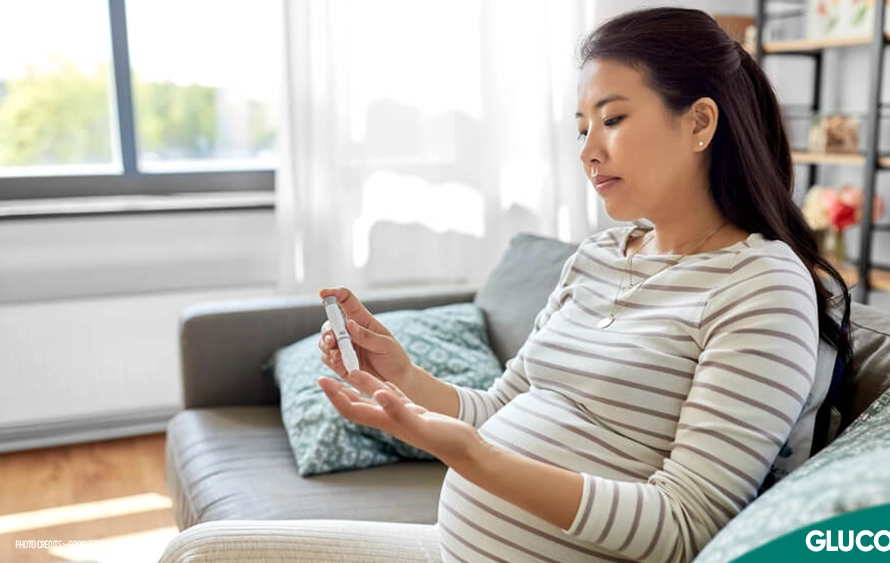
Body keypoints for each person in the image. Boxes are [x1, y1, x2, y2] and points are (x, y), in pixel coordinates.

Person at [316, 7, 852, 563]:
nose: (587, 151)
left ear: (699, 123)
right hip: (453, 550)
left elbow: (686, 526)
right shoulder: (597, 256)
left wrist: (475, 458)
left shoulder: (761, 285)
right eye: (581, 128)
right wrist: (402, 376)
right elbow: (499, 410)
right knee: (216, 547)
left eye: (613, 119)